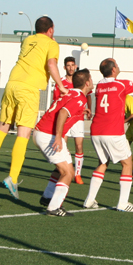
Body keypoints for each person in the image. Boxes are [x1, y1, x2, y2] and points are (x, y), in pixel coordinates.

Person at [0, 16, 67, 200]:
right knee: (23, 134)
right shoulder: (52, 43)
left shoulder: (27, 39)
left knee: (2, 127)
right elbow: (51, 64)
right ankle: (12, 177)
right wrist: (60, 85)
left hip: (12, 84)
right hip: (29, 89)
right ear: (51, 29)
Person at [82, 58, 133, 212]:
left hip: (96, 131)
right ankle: (123, 203)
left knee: (102, 163)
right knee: (127, 163)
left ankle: (89, 199)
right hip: (113, 131)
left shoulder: (99, 85)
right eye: (117, 66)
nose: (118, 67)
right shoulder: (120, 84)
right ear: (113, 70)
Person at [34, 69, 93, 217]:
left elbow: (64, 109)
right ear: (87, 83)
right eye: (91, 79)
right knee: (68, 173)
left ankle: (47, 197)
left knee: (64, 168)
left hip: (43, 132)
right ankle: (53, 207)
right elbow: (62, 113)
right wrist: (59, 136)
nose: (92, 82)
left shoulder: (72, 93)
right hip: (49, 135)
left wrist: (80, 112)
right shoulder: (79, 98)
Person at [54, 56, 87, 184]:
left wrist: (86, 108)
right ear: (64, 67)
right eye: (68, 65)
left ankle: (78, 174)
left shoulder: (79, 81)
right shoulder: (60, 83)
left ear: (76, 66)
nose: (71, 67)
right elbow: (57, 100)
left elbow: (86, 96)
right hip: (66, 119)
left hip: (78, 118)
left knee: (79, 145)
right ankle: (64, 170)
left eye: (73, 65)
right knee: (63, 146)